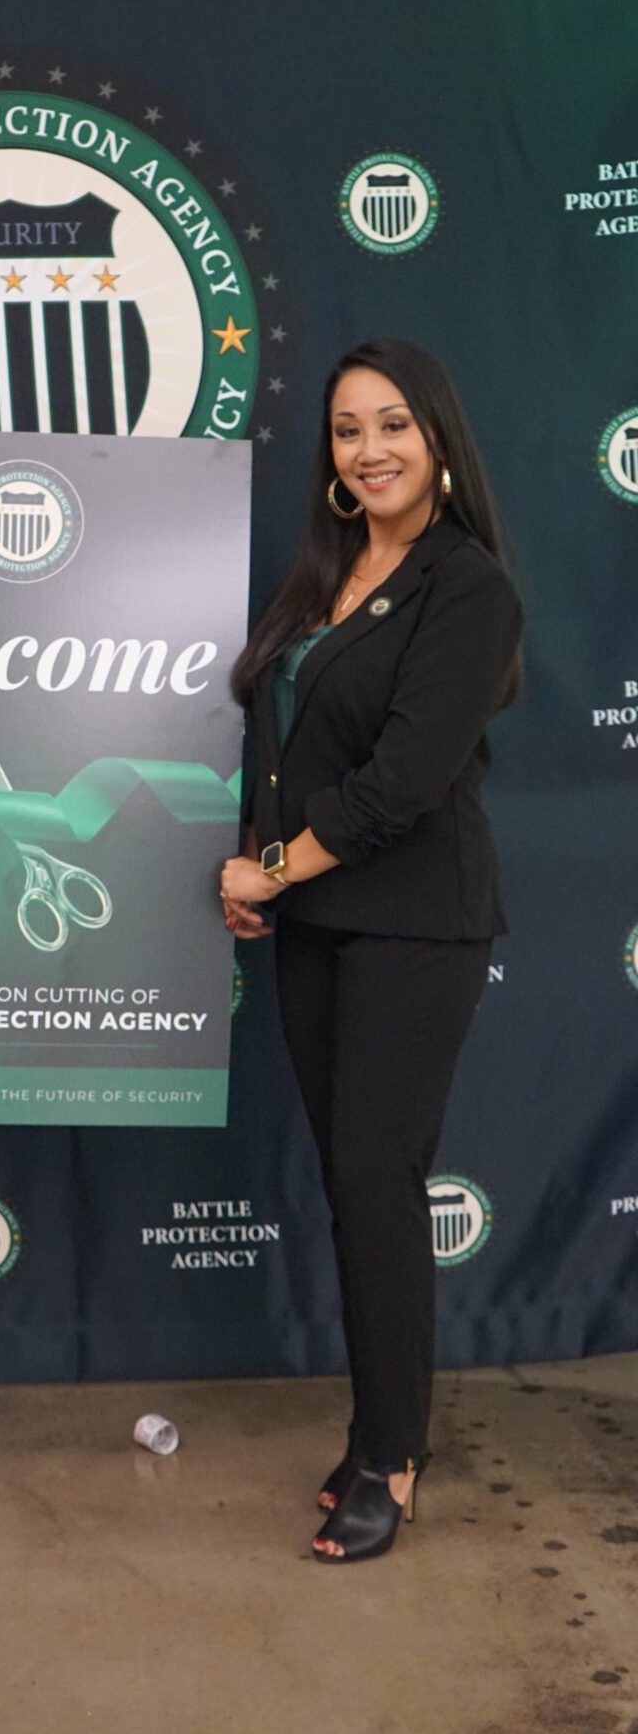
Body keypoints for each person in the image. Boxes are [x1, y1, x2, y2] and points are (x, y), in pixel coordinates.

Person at [220, 338, 522, 1564]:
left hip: (412, 923)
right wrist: (259, 866)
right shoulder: (325, 573)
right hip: (316, 925)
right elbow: (285, 745)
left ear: (436, 439)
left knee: (375, 1183)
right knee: (351, 1187)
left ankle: (391, 1460)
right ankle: (368, 1435)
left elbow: (400, 782)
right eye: (347, 430)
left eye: (392, 424)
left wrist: (276, 866)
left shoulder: (467, 589)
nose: (369, 449)